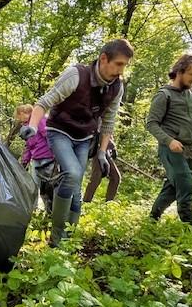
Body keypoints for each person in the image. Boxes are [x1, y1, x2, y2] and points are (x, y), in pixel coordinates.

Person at [20, 39, 133, 246]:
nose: (121, 71)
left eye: (124, 66)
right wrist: (34, 127)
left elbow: (108, 122)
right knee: (72, 173)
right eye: (118, 64)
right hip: (59, 131)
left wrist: (101, 153)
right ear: (103, 59)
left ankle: (69, 238)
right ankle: (56, 237)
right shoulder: (76, 75)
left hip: (84, 137)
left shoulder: (116, 88)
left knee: (76, 186)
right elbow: (44, 103)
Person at [145, 53, 192, 225]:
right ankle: (189, 228)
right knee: (185, 186)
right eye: (191, 74)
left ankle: (152, 220)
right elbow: (151, 124)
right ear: (180, 72)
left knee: (172, 187)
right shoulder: (164, 95)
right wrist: (169, 141)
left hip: (187, 150)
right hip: (169, 149)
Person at [16, 104, 55, 214]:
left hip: (47, 158)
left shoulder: (40, 120)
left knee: (47, 188)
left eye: (20, 115)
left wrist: (55, 154)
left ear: (25, 113)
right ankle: (32, 210)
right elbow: (29, 146)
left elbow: (48, 135)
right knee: (33, 186)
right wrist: (24, 161)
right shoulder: (27, 127)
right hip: (36, 159)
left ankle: (50, 212)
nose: (19, 118)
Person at [83, 138, 121, 203]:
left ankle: (109, 203)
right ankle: (86, 201)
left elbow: (108, 133)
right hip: (98, 147)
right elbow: (102, 131)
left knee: (115, 177)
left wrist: (112, 148)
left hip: (106, 149)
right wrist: (112, 145)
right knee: (97, 176)